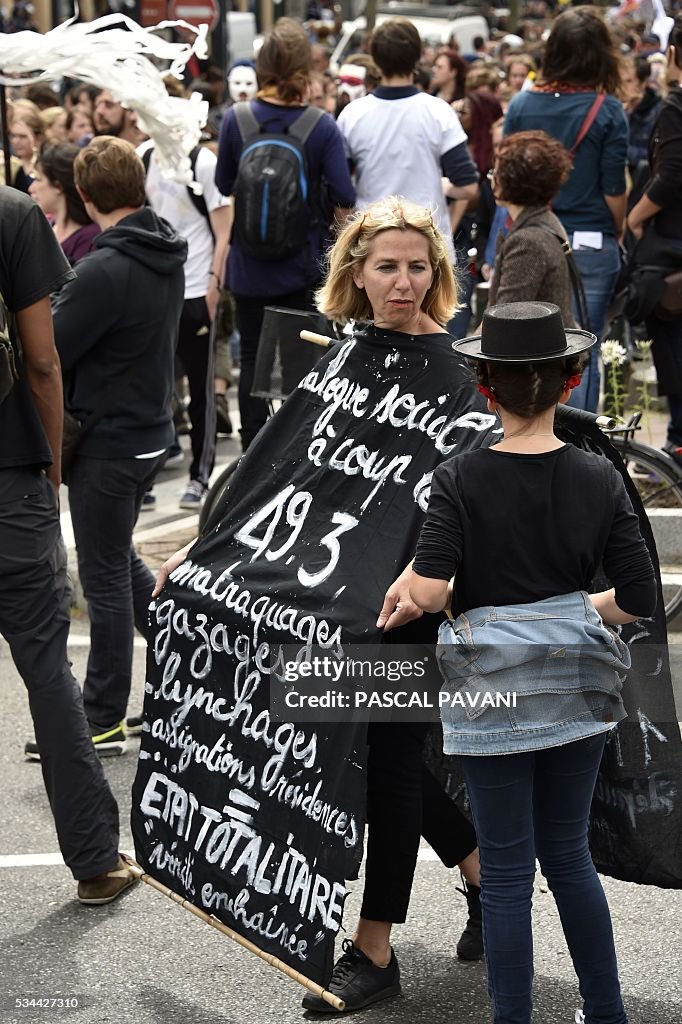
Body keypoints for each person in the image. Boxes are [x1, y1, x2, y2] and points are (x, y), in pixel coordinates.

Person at [153, 198, 488, 1014]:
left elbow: (464, 497)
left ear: (438, 276)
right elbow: (271, 477)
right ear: (356, 275)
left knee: (392, 767)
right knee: (377, 753)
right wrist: (197, 556)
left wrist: (429, 576)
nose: (403, 282)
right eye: (387, 267)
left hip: (403, 604)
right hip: (321, 600)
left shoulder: (459, 374)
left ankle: (374, 949)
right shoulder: (338, 361)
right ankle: (486, 873)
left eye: (418, 267)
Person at [410, 300, 657, 1024]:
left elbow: (428, 587)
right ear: (571, 382)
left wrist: (438, 596)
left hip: (490, 694)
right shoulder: (598, 477)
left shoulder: (459, 478)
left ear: (486, 387)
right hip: (576, 689)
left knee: (510, 875)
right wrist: (574, 612)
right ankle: (605, 1011)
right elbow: (638, 596)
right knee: (571, 859)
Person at [0, 184, 136, 903]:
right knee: (48, 675)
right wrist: (49, 466)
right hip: (8, 478)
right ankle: (94, 861)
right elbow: (43, 362)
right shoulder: (13, 214)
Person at [31, 137, 187, 756]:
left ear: (85, 195)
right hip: (147, 432)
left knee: (103, 579)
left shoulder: (106, 266)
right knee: (116, 560)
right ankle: (180, 666)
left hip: (111, 442)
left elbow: (52, 349)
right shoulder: (162, 248)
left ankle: (101, 715)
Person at [216, 17, 355, 451]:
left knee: (254, 359)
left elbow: (223, 184)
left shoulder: (235, 120)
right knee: (303, 365)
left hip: (248, 266)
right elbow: (345, 195)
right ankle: (297, 450)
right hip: (302, 265)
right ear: (304, 68)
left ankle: (251, 453)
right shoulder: (320, 125)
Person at [504, 7, 628, 412]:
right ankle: (580, 443)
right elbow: (613, 187)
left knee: (518, 345)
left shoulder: (523, 104)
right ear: (601, 55)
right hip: (589, 240)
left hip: (530, 236)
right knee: (583, 348)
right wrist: (620, 229)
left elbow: (505, 175)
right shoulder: (607, 110)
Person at [336, 17, 479, 274]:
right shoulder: (438, 112)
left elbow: (340, 193)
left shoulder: (352, 115)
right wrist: (441, 185)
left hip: (373, 250)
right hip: (428, 250)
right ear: (417, 59)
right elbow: (468, 186)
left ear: (375, 60)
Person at [141, 109, 231, 508]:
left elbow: (224, 228)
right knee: (152, 386)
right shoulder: (145, 157)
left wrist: (214, 284)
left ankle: (201, 476)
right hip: (157, 289)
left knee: (201, 388)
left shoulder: (203, 161)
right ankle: (145, 477)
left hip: (196, 289)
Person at [627, 15, 682, 470]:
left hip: (673, 248)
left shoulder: (676, 107)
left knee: (675, 349)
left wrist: (637, 216)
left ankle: (679, 445)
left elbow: (673, 176)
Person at [487, 130, 575, 326]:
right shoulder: (545, 220)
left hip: (537, 353)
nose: (491, 178)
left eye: (495, 172)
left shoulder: (527, 242)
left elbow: (503, 321)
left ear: (509, 182)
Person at [29, 143, 100, 265]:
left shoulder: (90, 240)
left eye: (38, 179)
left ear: (58, 186)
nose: (31, 188)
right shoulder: (43, 227)